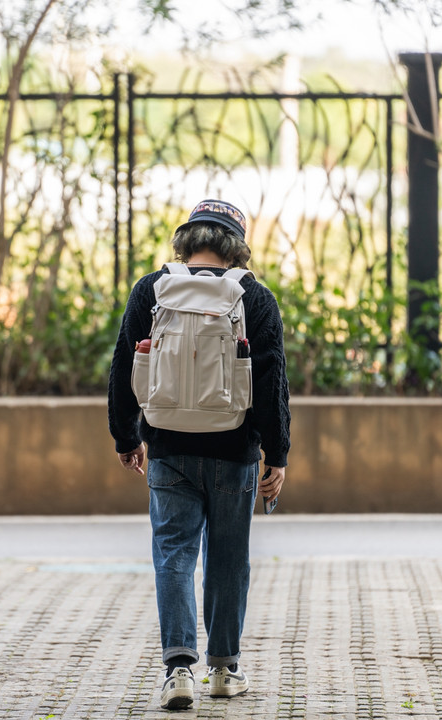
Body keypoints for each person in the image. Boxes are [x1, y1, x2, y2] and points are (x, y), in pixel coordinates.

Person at [107, 199, 291, 710]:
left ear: (187, 239)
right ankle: (224, 669)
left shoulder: (151, 289)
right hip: (234, 450)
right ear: (237, 245)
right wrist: (276, 453)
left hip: (167, 446)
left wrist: (127, 437)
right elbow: (271, 380)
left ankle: (178, 671)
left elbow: (124, 364)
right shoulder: (253, 296)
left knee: (173, 555)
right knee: (228, 560)